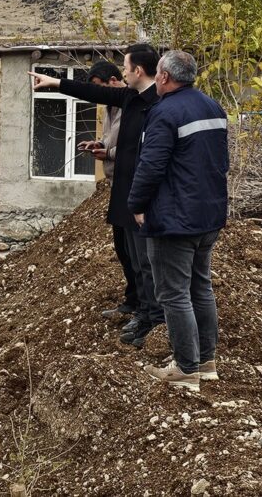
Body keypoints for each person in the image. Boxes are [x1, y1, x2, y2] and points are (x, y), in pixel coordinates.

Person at [29, 44, 162, 348]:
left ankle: (153, 319)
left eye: (126, 67)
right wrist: (56, 83)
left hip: (141, 194)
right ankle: (142, 310)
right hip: (124, 191)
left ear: (137, 70)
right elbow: (95, 94)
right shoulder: (130, 97)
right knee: (130, 254)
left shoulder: (158, 104)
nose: (123, 72)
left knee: (145, 261)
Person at [127, 50, 229, 392]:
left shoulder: (165, 112)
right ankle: (206, 361)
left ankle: (186, 369)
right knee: (200, 287)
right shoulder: (212, 107)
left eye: (157, 73)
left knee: (173, 293)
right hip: (208, 215)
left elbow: (151, 165)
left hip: (175, 219)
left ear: (165, 77)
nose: (156, 78)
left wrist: (137, 205)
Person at [75, 60, 138, 317]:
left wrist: (108, 153)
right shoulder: (112, 108)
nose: (99, 96)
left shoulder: (131, 105)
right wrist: (98, 143)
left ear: (114, 81)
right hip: (116, 184)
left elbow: (133, 147)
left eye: (100, 88)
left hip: (131, 186)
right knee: (123, 249)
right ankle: (133, 300)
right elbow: (112, 138)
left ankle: (143, 306)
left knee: (135, 251)